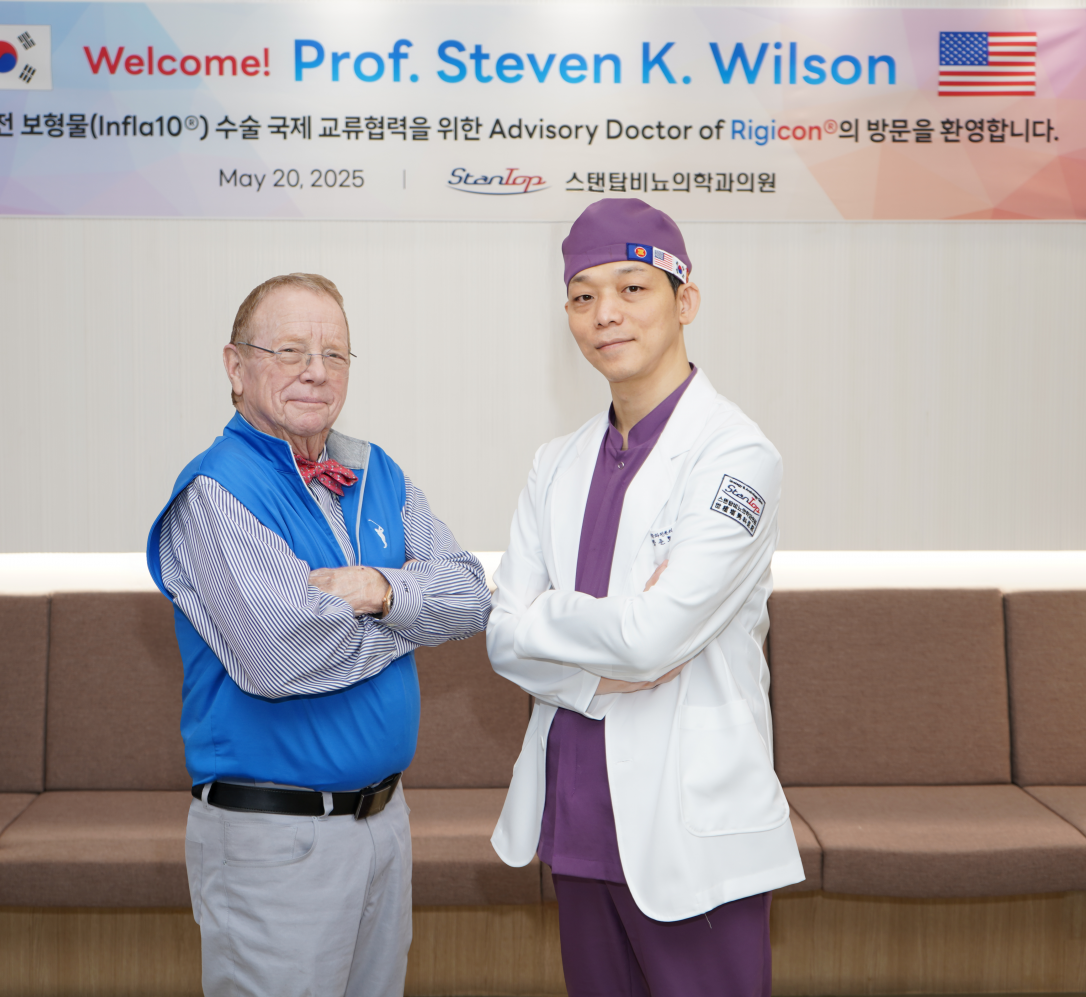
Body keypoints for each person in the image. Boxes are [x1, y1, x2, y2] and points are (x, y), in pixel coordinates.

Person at [487, 199, 803, 997]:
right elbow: (500, 635)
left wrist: (546, 619)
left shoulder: (735, 455)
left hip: (691, 831)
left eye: (632, 288)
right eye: (583, 295)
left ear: (684, 300)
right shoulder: (555, 463)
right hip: (576, 820)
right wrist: (596, 653)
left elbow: (654, 637)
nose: (606, 313)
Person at [146, 273, 492, 997]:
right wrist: (412, 614)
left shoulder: (377, 471)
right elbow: (280, 654)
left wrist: (377, 591)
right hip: (276, 842)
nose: (315, 370)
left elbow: (470, 595)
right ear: (235, 367)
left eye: (334, 353)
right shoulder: (218, 490)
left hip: (384, 824)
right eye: (290, 350)